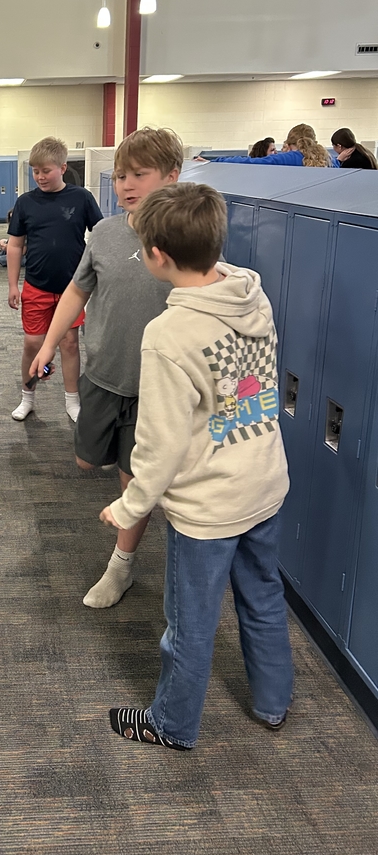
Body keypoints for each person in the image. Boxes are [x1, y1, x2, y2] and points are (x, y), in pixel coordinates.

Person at [100, 181, 293, 751]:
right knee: (263, 595)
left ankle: (172, 724)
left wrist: (128, 506)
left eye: (142, 251)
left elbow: (158, 447)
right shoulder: (250, 296)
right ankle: (273, 702)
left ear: (159, 256)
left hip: (208, 506)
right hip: (264, 481)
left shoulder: (168, 334)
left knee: (190, 623)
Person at [30, 127, 182, 607]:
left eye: (140, 174)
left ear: (172, 177)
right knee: (86, 460)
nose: (126, 185)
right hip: (102, 373)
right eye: (119, 176)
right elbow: (78, 289)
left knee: (130, 477)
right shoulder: (109, 232)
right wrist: (49, 345)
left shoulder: (187, 237)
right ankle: (139, 494)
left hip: (153, 384)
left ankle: (121, 566)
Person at [7, 136, 103, 423]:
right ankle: (27, 397)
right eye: (35, 171)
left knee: (69, 344)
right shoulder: (26, 202)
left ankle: (72, 400)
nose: (40, 177)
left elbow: (99, 236)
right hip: (36, 285)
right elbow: (14, 245)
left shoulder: (81, 197)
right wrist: (13, 284)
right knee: (32, 345)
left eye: (46, 171)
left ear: (62, 167)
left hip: (72, 288)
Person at [206, 124, 330, 167]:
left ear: (290, 144)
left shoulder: (290, 158)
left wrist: (214, 161)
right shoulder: (329, 161)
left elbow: (250, 162)